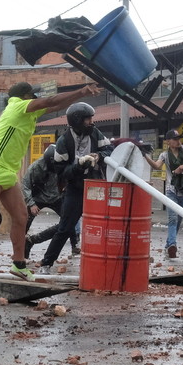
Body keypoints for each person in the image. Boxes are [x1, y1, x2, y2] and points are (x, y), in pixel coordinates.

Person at [0, 81, 100, 279]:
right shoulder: (16, 106)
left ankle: (18, 264)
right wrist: (82, 90)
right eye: (32, 96)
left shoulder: (29, 113)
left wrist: (80, 96)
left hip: (8, 172)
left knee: (21, 216)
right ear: (25, 96)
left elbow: (56, 105)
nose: (35, 99)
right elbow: (49, 100)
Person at [38, 102, 111, 275]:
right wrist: (78, 165)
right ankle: (46, 263)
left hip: (96, 186)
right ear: (77, 121)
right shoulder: (64, 141)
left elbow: (110, 149)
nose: (91, 122)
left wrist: (99, 156)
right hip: (75, 188)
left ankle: (104, 263)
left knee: (103, 224)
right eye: (88, 119)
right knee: (65, 227)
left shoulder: (95, 132)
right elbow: (61, 172)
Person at [143, 128, 183, 259]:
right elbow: (156, 166)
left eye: (178, 138)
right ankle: (172, 244)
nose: (178, 141)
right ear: (168, 141)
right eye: (175, 139)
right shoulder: (164, 155)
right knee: (172, 218)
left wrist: (182, 167)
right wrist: (146, 156)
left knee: (179, 219)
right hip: (171, 190)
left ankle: (168, 245)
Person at [22, 145, 78, 259]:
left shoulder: (60, 164)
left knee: (69, 221)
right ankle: (21, 249)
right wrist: (31, 203)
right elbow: (25, 185)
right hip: (37, 198)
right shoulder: (35, 167)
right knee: (24, 223)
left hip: (55, 197)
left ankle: (75, 246)